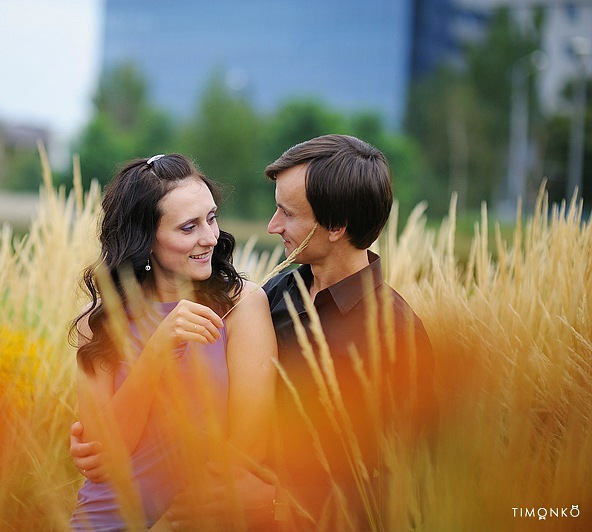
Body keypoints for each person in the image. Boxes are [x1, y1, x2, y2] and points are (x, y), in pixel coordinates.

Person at [71, 136, 437, 530]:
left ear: (336, 226)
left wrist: (278, 502)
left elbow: (414, 483)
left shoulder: (395, 334)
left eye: (287, 213)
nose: (272, 226)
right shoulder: (276, 294)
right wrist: (105, 442)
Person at [68, 153, 277, 530]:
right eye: (188, 227)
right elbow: (105, 457)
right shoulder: (98, 321)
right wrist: (158, 347)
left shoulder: (242, 306)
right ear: (146, 240)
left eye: (211, 218)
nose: (210, 238)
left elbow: (246, 452)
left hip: (197, 519)